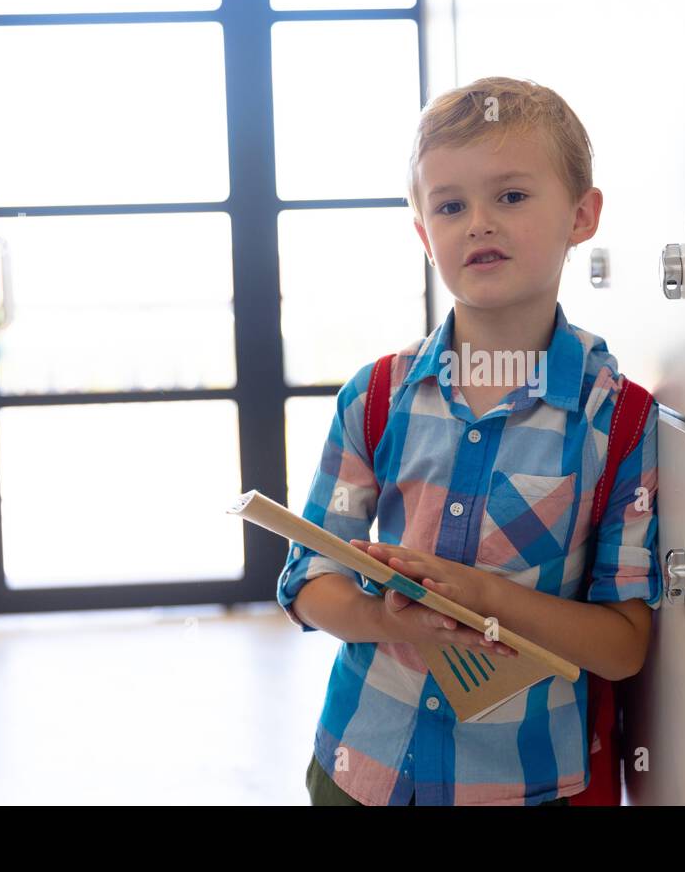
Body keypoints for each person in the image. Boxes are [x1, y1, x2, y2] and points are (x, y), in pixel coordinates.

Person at [278, 76, 661, 806]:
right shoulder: (377, 397)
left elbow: (622, 645)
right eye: (450, 206)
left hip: (517, 784)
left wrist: (484, 595)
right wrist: (380, 617)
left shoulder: (618, 424)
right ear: (425, 234)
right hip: (361, 769)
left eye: (511, 197)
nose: (478, 223)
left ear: (582, 216)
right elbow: (307, 582)